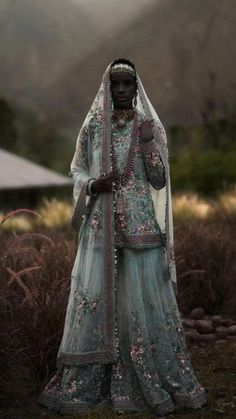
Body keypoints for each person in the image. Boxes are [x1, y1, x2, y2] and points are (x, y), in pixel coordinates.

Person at [38, 59, 207, 416]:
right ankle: (94, 380)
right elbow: (77, 169)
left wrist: (147, 145)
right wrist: (92, 185)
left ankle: (144, 376)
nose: (120, 90)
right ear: (106, 87)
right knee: (98, 297)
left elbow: (159, 180)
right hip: (101, 227)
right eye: (114, 84)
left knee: (139, 303)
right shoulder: (94, 126)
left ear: (135, 87)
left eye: (126, 84)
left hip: (141, 229)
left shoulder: (149, 126)